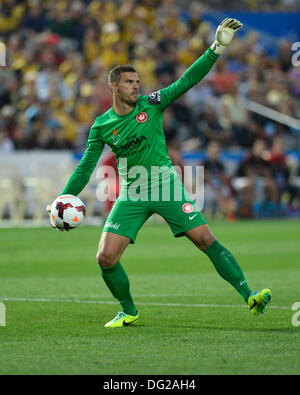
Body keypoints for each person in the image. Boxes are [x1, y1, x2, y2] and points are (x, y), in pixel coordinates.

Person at [48, 18, 271, 327]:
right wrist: (64, 197)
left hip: (166, 186)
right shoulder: (101, 125)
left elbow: (186, 81)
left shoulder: (151, 103)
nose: (136, 86)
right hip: (133, 192)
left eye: (137, 81)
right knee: (105, 258)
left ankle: (251, 295)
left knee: (205, 238)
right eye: (129, 82)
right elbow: (87, 165)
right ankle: (128, 310)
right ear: (114, 86)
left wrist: (216, 49)